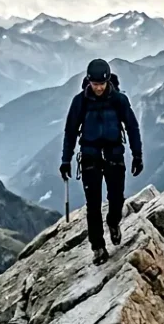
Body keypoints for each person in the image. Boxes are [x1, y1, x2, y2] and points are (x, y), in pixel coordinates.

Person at [59, 58, 143, 261]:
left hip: (114, 154)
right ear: (89, 81)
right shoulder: (80, 102)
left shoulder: (119, 100)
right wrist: (65, 160)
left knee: (117, 199)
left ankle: (113, 222)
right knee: (93, 204)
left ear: (107, 81)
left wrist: (137, 155)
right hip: (90, 156)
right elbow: (70, 131)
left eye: (101, 84)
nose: (98, 88)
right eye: (95, 84)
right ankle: (97, 246)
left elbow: (132, 127)